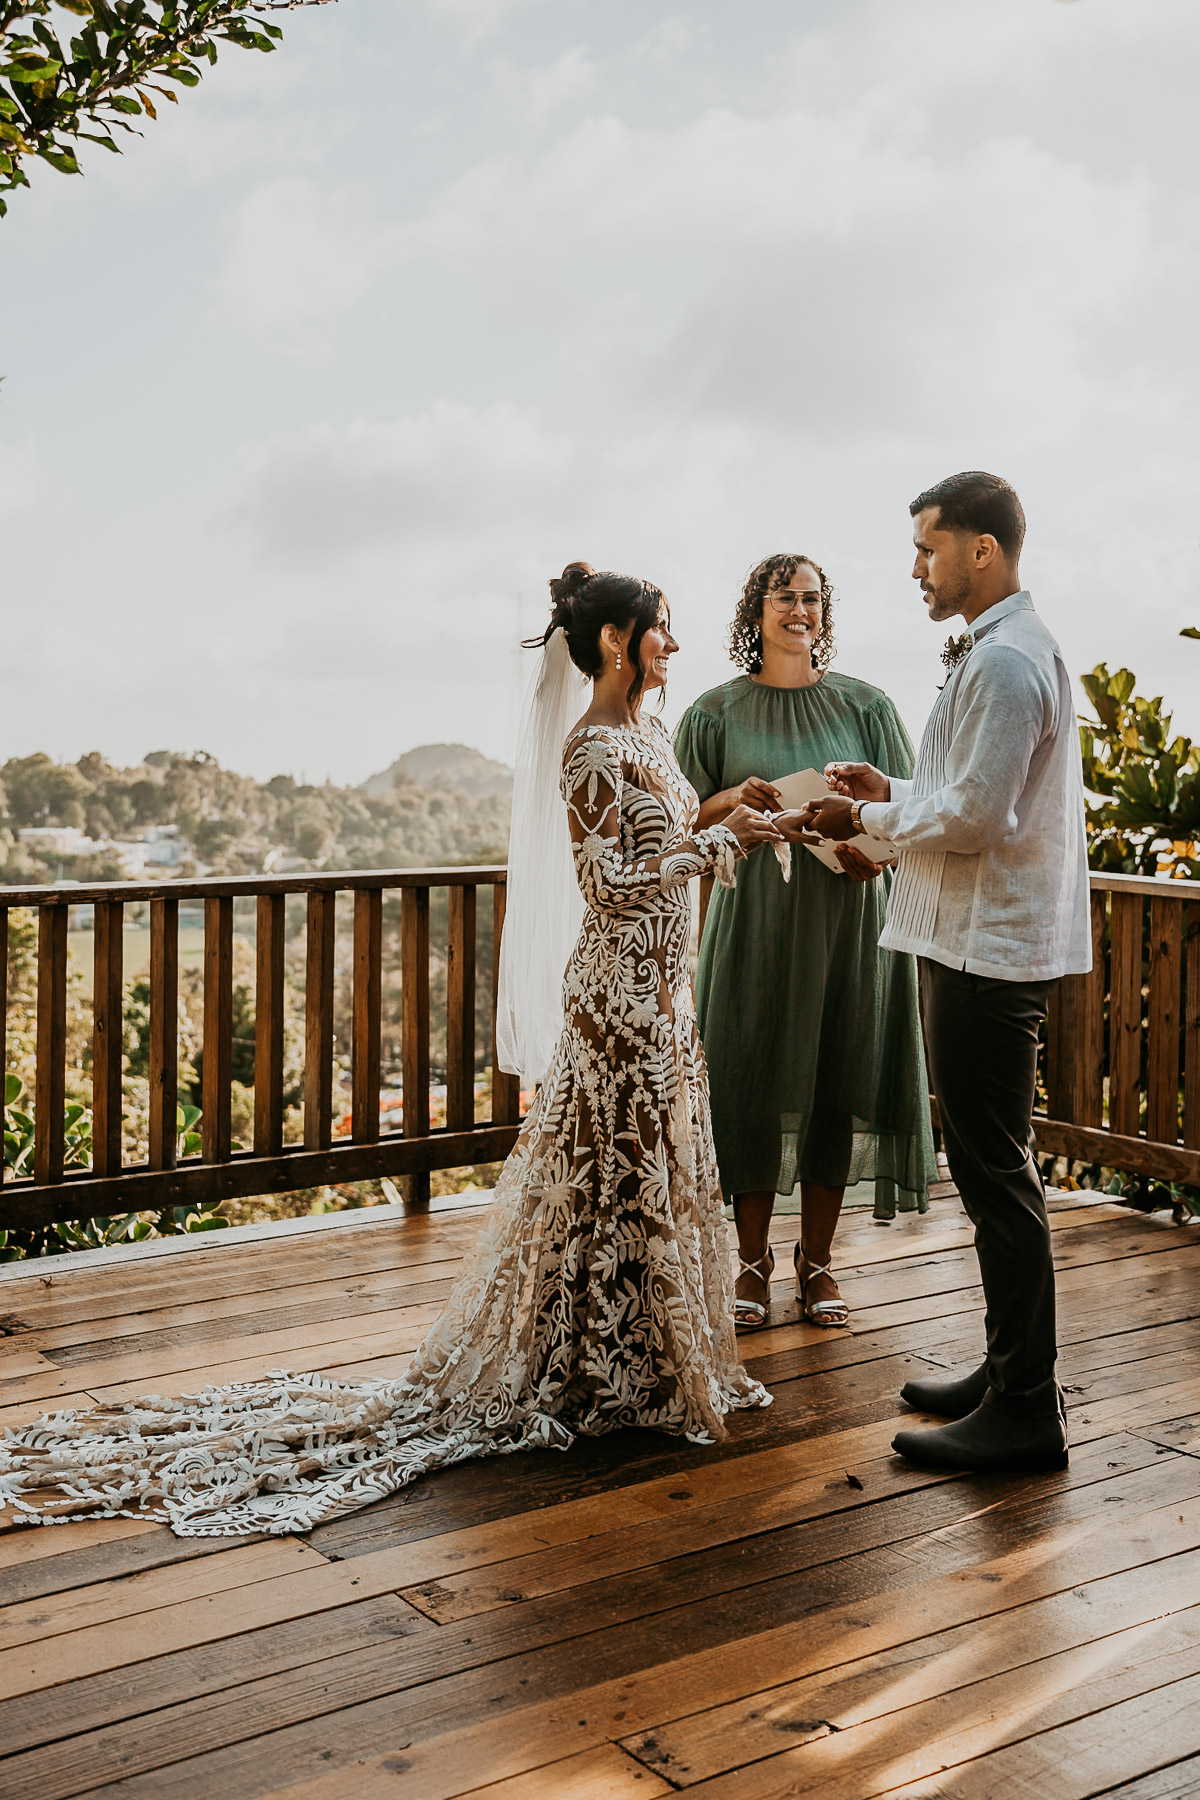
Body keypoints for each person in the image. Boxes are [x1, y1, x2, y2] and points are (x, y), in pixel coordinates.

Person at [0, 564, 778, 1538]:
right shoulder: (587, 749)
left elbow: (659, 835)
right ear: (618, 640)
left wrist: (716, 811)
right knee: (608, 1179)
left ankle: (650, 1365)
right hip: (616, 999)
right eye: (662, 629)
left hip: (669, 998)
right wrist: (717, 844)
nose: (674, 643)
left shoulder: (652, 738)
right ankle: (590, 1371)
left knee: (652, 1172)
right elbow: (613, 886)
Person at [797, 473, 1091, 1474]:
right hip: (968, 939)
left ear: (981, 551)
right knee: (986, 1168)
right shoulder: (1002, 651)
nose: (915, 568)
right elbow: (967, 795)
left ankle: (1024, 1410)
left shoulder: (1008, 663)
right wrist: (893, 792)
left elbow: (976, 822)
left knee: (994, 1173)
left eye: (929, 548)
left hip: (984, 951)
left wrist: (866, 820)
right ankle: (1012, 1369)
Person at [675, 553, 936, 1335]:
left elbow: (916, 809)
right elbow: (681, 816)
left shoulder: (867, 705)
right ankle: (749, 1262)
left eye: (812, 598)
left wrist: (874, 850)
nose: (800, 609)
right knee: (751, 1079)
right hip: (753, 922)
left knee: (838, 1078)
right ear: (754, 612)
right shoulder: (714, 712)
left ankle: (817, 1261)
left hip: (851, 919)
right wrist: (731, 798)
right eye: (783, 596)